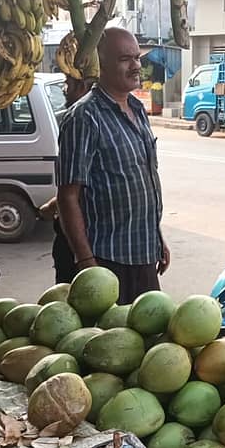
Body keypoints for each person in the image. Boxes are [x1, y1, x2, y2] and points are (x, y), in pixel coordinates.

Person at [56, 27, 170, 303]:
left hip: (143, 255)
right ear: (101, 65)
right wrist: (86, 262)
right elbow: (67, 196)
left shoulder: (137, 108)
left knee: (150, 339)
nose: (136, 66)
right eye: (124, 59)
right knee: (113, 342)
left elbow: (143, 181)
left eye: (137, 58)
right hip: (107, 262)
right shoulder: (84, 117)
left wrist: (158, 238)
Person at [39, 75, 95, 284]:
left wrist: (85, 259)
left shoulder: (81, 119)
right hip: (71, 244)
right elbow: (73, 189)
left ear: (82, 86)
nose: (64, 89)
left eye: (68, 84)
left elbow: (74, 195)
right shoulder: (78, 119)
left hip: (80, 244)